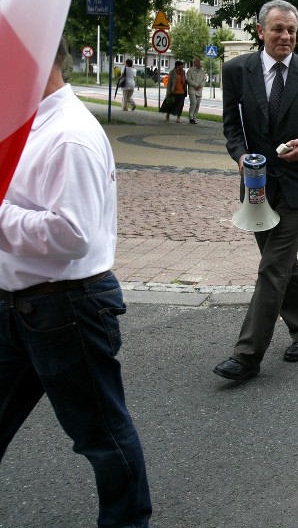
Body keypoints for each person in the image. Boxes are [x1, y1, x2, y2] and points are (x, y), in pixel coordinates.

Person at [0, 37, 151, 526]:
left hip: (66, 308)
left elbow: (71, 234)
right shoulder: (22, 126)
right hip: (18, 304)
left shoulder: (69, 135)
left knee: (101, 437)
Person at [213, 0, 298, 381]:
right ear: (260, 31)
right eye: (277, 29)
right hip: (257, 188)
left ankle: (247, 355)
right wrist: (239, 156)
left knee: (272, 267)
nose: (285, 36)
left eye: (291, 30)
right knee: (284, 265)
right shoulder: (237, 70)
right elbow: (231, 127)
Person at [186, 57, 205, 124]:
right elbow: (188, 79)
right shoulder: (190, 70)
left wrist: (200, 85)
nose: (199, 63)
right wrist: (195, 85)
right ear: (194, 62)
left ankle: (194, 118)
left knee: (197, 104)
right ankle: (191, 118)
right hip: (192, 89)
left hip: (199, 90)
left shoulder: (202, 71)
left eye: (199, 62)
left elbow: (203, 80)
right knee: (193, 103)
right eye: (197, 62)